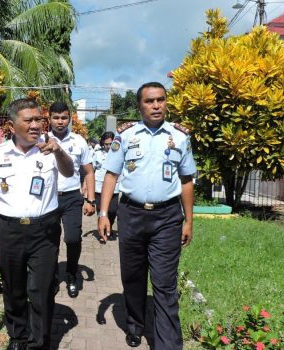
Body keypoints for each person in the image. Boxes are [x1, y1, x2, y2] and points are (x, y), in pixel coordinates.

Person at [0, 98, 73, 350]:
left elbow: (69, 171)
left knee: (41, 290)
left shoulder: (50, 149)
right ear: (12, 125)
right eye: (29, 120)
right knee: (14, 289)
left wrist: (59, 151)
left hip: (44, 230)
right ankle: (18, 338)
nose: (36, 125)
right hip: (10, 230)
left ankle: (38, 343)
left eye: (38, 119)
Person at [97, 82, 196, 349]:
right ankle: (135, 325)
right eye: (150, 101)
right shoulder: (126, 136)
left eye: (160, 100)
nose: (156, 105)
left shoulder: (180, 137)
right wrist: (104, 213)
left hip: (167, 217)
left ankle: (168, 344)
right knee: (133, 276)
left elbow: (187, 180)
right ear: (140, 106)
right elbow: (111, 175)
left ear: (166, 103)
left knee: (164, 283)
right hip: (131, 214)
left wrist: (189, 220)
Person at [47, 101, 95, 298]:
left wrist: (90, 200)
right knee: (49, 240)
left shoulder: (79, 141)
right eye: (56, 118)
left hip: (72, 198)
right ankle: (50, 278)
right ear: (49, 118)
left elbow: (89, 172)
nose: (60, 122)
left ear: (70, 118)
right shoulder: (41, 140)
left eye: (64, 117)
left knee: (73, 238)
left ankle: (72, 273)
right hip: (47, 199)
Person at [93, 131, 119, 237]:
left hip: (115, 188)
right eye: (106, 144)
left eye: (110, 144)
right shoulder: (98, 154)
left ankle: (109, 226)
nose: (108, 146)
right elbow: (92, 170)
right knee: (101, 211)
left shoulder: (119, 154)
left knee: (112, 211)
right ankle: (102, 232)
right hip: (99, 188)